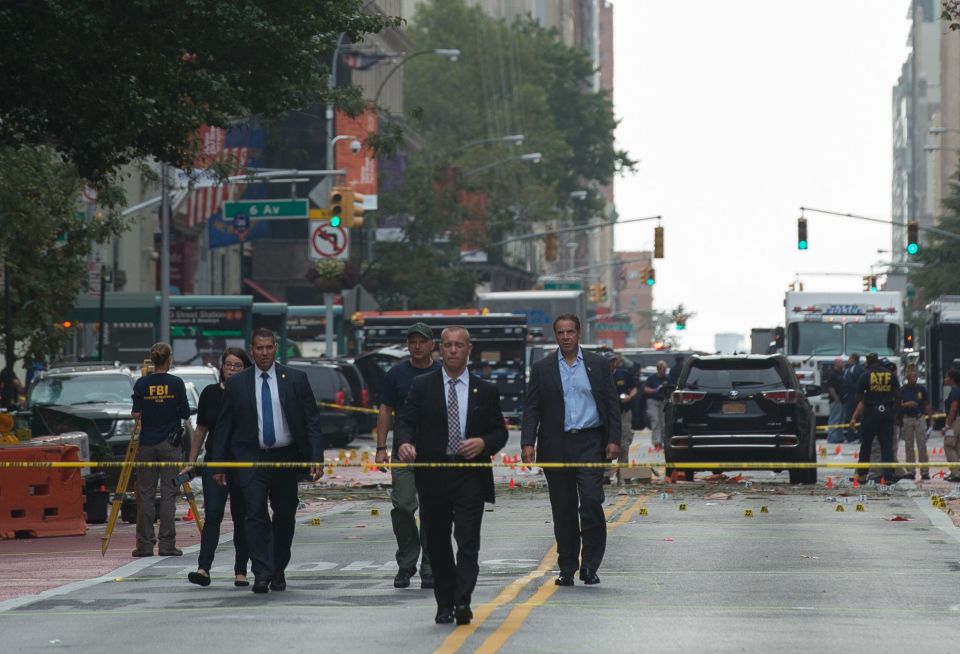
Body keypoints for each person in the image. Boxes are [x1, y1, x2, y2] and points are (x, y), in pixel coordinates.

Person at [394, 326, 507, 626]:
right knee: (439, 542)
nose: (453, 350)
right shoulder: (422, 386)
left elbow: (499, 431)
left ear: (469, 349)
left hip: (470, 475)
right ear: (439, 350)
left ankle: (462, 601)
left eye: (459, 345)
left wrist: (484, 443)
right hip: (434, 474)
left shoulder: (486, 390)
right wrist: (404, 443)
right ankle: (444, 602)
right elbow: (405, 421)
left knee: (468, 541)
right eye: (448, 345)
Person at [211, 328, 324, 594]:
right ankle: (260, 572)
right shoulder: (238, 384)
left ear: (276, 348)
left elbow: (312, 421)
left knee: (285, 515)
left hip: (286, 458)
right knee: (254, 515)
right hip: (251, 458)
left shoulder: (295, 379)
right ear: (252, 350)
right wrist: (218, 464)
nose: (264, 353)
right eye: (259, 348)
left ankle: (278, 569)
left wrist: (316, 457)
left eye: (269, 348)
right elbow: (223, 427)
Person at [520, 314, 620, 587]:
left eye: (570, 332)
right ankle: (567, 567)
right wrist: (527, 442)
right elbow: (532, 408)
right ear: (555, 336)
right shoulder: (543, 369)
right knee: (562, 509)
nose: (565, 337)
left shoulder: (598, 365)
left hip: (590, 443)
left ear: (579, 334)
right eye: (560, 332)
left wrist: (614, 440)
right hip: (556, 445)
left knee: (590, 502)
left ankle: (590, 565)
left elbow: (611, 404)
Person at [374, 322, 441, 590]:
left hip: (435, 453)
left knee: (432, 511)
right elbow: (385, 410)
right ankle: (406, 562)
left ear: (432, 344)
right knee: (402, 506)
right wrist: (381, 447)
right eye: (413, 341)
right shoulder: (396, 375)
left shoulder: (443, 372)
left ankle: (429, 566)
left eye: (422, 341)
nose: (417, 346)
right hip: (403, 450)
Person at [183, 347, 254, 587]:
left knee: (241, 517)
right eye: (228, 364)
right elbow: (201, 430)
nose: (232, 369)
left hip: (242, 462)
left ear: (245, 369)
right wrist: (191, 462)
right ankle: (203, 568)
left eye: (237, 365)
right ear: (221, 367)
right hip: (214, 460)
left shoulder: (249, 393)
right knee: (212, 514)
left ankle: (241, 571)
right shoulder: (210, 393)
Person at [131, 342, 190, 557]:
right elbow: (184, 412)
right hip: (170, 444)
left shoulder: (141, 384)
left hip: (147, 443)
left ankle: (144, 545)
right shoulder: (176, 383)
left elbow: (136, 414)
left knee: (145, 496)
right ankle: (167, 544)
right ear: (169, 359)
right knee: (168, 495)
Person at [849, 353, 901, 484]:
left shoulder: (865, 376)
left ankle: (862, 475)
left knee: (866, 445)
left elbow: (858, 398)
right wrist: (895, 413)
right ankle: (888, 476)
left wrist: (868, 398)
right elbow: (898, 396)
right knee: (886, 446)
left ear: (867, 363)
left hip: (871, 414)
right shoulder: (890, 375)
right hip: (887, 413)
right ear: (878, 361)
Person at [898, 366, 932, 481]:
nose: (914, 378)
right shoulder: (902, 390)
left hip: (919, 418)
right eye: (912, 376)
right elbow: (898, 404)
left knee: (922, 445)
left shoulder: (921, 389)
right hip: (908, 418)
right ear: (907, 377)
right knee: (909, 446)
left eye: (915, 376)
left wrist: (930, 418)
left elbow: (926, 404)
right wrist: (907, 404)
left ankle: (925, 471)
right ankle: (911, 470)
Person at [610, 353, 638, 484]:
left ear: (615, 362)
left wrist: (630, 396)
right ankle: (605, 475)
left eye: (612, 361)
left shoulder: (624, 374)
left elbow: (634, 388)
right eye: (607, 361)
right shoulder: (600, 375)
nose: (610, 363)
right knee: (605, 444)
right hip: (607, 415)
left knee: (624, 444)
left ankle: (623, 475)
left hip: (624, 413)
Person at [644, 361, 669, 449]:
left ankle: (662, 441)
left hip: (663, 401)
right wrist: (655, 390)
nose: (664, 372)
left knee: (663, 422)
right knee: (656, 420)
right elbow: (645, 389)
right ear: (658, 369)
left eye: (665, 370)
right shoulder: (652, 378)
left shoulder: (667, 378)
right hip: (652, 401)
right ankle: (656, 441)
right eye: (663, 370)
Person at [943, 369, 960, 482]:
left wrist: (947, 425)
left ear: (952, 380)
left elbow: (953, 409)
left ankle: (955, 472)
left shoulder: (954, 392)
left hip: (956, 421)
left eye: (947, 377)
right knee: (958, 446)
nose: (945, 379)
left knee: (949, 445)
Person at [843, 353, 863, 443]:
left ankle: (851, 437)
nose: (848, 360)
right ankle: (859, 437)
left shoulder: (853, 369)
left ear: (853, 359)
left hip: (852, 397)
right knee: (859, 417)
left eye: (850, 358)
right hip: (858, 396)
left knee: (851, 416)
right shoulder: (861, 368)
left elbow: (851, 382)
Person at [825, 358, 846, 444]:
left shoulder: (842, 373)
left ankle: (839, 438)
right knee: (834, 419)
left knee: (841, 420)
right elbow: (830, 387)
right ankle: (832, 438)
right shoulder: (832, 374)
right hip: (835, 401)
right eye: (841, 362)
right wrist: (836, 397)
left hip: (843, 400)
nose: (843, 364)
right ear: (836, 364)